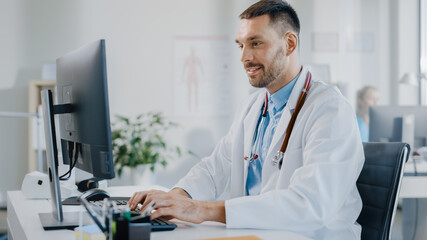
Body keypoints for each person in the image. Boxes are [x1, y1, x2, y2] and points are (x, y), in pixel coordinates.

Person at [128, 1, 365, 239]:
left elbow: (310, 204)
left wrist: (200, 209)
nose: (244, 57)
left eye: (256, 43)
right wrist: (177, 197)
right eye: (241, 45)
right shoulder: (253, 106)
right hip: (258, 233)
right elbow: (215, 168)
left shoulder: (329, 109)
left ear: (290, 43)